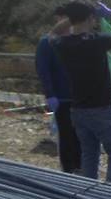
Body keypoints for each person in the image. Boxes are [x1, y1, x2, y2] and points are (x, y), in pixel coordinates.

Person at [49, 0, 111, 185]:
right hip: (102, 108)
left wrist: (72, 17)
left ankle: (90, 196)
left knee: (89, 154)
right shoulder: (97, 41)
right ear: (91, 18)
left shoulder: (62, 44)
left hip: (78, 109)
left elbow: (52, 33)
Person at [35, 17, 82, 173]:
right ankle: (68, 169)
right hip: (62, 98)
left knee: (81, 134)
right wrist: (50, 94)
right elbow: (43, 70)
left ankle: (80, 166)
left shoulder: (76, 40)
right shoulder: (47, 42)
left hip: (80, 98)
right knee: (66, 134)